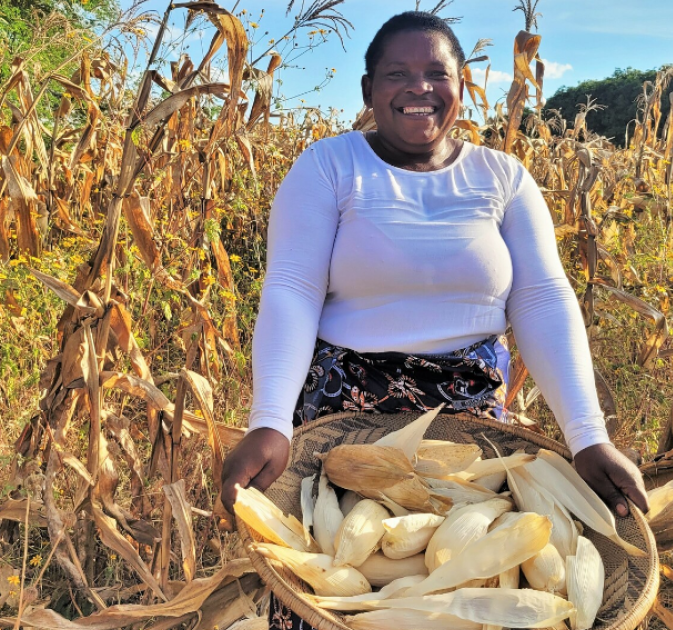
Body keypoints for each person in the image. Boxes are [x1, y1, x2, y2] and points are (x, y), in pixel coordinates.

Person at [220, 11, 649, 628]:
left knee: (466, 594)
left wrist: (588, 436)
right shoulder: (329, 168)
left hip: (468, 425)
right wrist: (269, 423)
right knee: (329, 588)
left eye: (436, 73)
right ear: (369, 91)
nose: (419, 88)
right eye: (398, 73)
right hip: (345, 425)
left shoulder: (501, 178)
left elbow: (543, 299)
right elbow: (292, 290)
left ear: (462, 87)